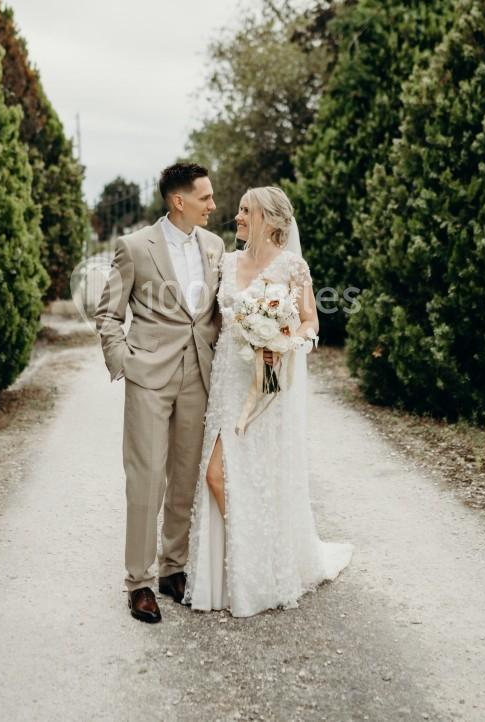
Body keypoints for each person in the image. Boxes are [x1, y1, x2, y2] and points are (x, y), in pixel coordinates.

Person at [183, 186, 353, 617]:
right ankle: (243, 566)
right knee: (219, 474)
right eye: (238, 210)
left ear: (270, 220)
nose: (236, 217)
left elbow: (311, 323)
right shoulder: (227, 262)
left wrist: (282, 340)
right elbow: (211, 321)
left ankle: (262, 566)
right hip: (227, 381)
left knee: (256, 474)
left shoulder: (293, 267)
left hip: (269, 385)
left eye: (245, 210)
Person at [94, 162, 224, 623]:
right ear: (179, 201)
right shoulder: (134, 248)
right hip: (148, 375)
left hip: (199, 373)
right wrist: (122, 361)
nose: (213, 205)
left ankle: (173, 569)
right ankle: (139, 582)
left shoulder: (215, 246)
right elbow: (108, 314)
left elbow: (214, 312)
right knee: (147, 479)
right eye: (206, 197)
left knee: (186, 477)